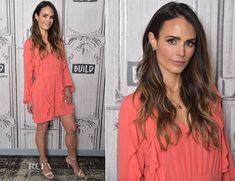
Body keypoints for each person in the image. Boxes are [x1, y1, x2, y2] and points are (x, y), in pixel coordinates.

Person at [118, 2, 235, 181]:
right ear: (153, 40)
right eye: (172, 41)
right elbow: (129, 176)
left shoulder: (208, 96)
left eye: (189, 43)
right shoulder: (135, 106)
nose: (181, 52)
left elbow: (226, 170)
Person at [23, 1, 85, 179]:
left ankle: (72, 159)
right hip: (41, 90)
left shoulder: (58, 42)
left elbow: (64, 66)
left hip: (60, 88)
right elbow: (28, 74)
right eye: (44, 16)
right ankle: (43, 162)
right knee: (42, 127)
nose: (48, 20)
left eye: (51, 17)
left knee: (71, 127)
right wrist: (29, 98)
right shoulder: (30, 44)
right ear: (36, 17)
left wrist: (66, 86)